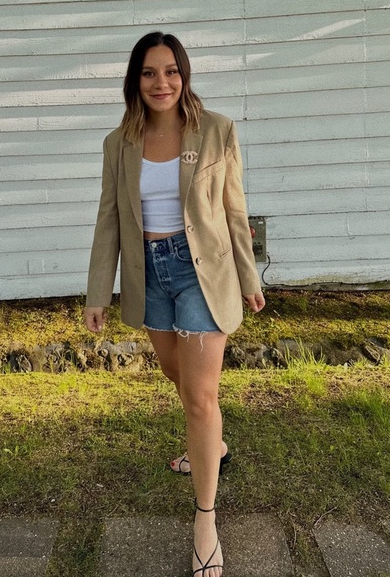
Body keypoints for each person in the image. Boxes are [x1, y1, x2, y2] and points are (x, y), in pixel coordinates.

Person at [84, 31, 265, 577]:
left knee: (201, 397)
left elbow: (234, 211)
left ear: (183, 76)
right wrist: (98, 292)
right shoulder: (118, 143)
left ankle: (205, 518)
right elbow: (109, 218)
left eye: (170, 71)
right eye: (149, 72)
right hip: (149, 275)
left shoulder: (217, 130)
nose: (160, 82)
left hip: (202, 274)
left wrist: (249, 276)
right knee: (179, 377)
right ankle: (212, 444)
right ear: (135, 80)